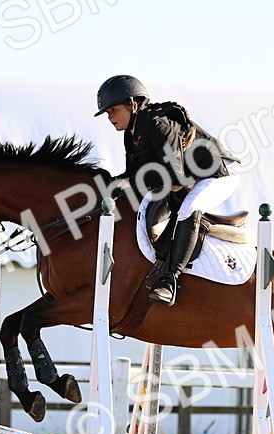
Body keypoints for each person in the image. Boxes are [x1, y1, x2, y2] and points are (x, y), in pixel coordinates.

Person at [95, 75, 239, 305]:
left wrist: (128, 182)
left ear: (133, 104)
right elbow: (133, 175)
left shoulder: (157, 124)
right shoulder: (131, 134)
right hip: (186, 179)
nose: (110, 117)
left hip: (216, 175)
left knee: (188, 209)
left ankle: (170, 279)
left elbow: (174, 174)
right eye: (107, 113)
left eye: (113, 110)